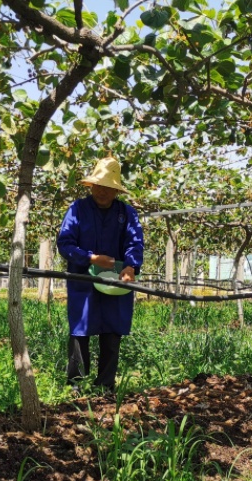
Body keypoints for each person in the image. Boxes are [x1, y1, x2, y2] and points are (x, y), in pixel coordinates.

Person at [57, 156, 144, 393]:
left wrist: (131, 266)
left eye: (108, 187)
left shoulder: (127, 213)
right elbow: (65, 243)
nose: (102, 192)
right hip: (83, 281)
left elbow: (135, 243)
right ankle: (76, 386)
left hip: (115, 282)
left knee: (112, 332)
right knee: (79, 331)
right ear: (91, 186)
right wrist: (91, 258)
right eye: (98, 186)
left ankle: (106, 387)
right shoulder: (77, 209)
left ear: (116, 191)